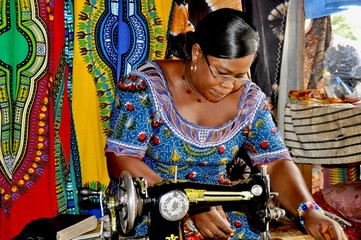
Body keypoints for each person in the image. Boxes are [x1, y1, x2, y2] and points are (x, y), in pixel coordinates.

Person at [105, 8, 348, 240]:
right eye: (222, 72)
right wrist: (185, 203)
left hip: (218, 213)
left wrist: (309, 212)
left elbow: (274, 163)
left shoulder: (248, 101)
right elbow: (121, 158)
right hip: (152, 210)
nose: (229, 85)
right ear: (197, 53)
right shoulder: (144, 87)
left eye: (240, 75)